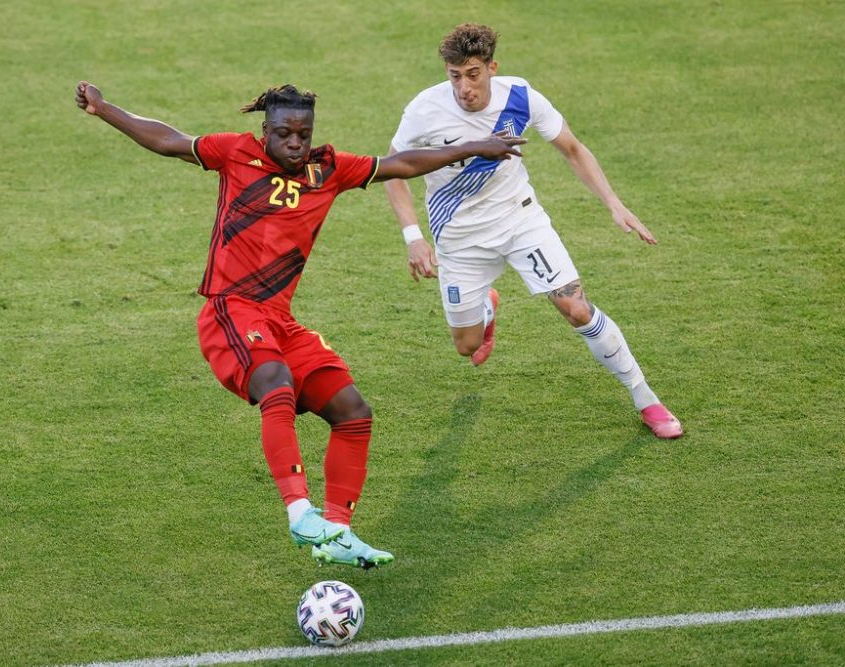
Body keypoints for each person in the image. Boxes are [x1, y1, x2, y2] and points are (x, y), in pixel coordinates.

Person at [75, 81, 526, 568]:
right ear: (264, 130)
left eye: (303, 134)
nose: (295, 143)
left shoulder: (327, 169)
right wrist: (104, 109)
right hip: (230, 310)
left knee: (353, 411)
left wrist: (476, 146)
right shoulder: (234, 153)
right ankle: (298, 514)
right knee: (277, 384)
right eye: (285, 133)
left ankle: (336, 531)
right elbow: (168, 140)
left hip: (279, 321)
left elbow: (402, 164)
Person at [383, 23, 683, 439]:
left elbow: (573, 149)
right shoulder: (424, 110)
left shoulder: (520, 97)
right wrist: (413, 236)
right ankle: (487, 308)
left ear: (491, 68)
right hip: (459, 239)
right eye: (455, 76)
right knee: (465, 346)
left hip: (521, 222)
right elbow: (392, 170)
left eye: (473, 74)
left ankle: (646, 397)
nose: (464, 87)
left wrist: (614, 204)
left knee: (576, 308)